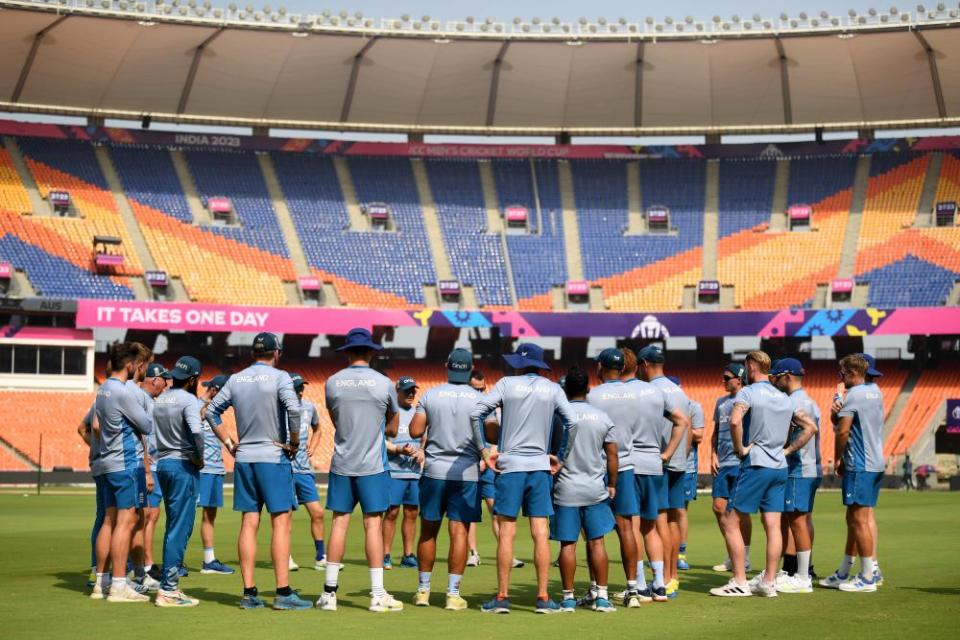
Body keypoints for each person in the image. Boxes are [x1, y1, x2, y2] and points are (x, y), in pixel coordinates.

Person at [205, 332, 311, 610]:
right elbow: (295, 410)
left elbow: (211, 412)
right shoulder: (280, 377)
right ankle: (283, 592)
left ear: (254, 353)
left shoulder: (236, 379)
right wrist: (295, 442)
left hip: (245, 459)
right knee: (281, 522)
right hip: (273, 456)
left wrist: (229, 442)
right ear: (276, 353)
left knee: (249, 523)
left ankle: (249, 593)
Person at [471, 342, 577, 614]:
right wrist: (561, 456)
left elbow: (475, 413)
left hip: (510, 466)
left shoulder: (506, 384)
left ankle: (503, 597)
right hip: (540, 466)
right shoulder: (553, 388)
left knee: (507, 531)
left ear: (519, 363)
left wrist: (484, 451)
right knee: (540, 532)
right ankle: (543, 598)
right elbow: (573, 423)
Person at [709, 350, 817, 598]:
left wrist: (740, 449)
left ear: (751, 366)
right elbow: (810, 427)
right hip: (780, 466)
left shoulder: (748, 392)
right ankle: (769, 581)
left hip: (756, 463)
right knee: (773, 525)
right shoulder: (784, 397)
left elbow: (735, 421)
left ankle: (739, 580)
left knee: (731, 519)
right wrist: (787, 449)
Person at [319, 328, 403, 613]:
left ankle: (329, 593)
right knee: (373, 525)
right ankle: (377, 595)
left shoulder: (332, 382)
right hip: (373, 465)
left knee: (339, 523)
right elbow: (393, 427)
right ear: (370, 352)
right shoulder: (383, 383)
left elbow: (335, 419)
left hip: (342, 462)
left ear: (347, 352)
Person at [408, 349, 483, 610]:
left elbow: (415, 430)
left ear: (446, 366)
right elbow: (494, 434)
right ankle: (452, 594)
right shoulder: (478, 399)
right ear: (471, 368)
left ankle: (423, 591)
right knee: (459, 532)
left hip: (434, 471)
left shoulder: (431, 394)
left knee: (429, 530)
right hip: (466, 472)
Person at [90, 342, 154, 603]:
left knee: (108, 520)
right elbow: (147, 425)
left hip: (106, 461)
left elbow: (95, 424)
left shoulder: (103, 389)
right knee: (126, 522)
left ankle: (101, 583)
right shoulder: (124, 392)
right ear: (130, 365)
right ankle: (118, 585)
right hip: (125, 462)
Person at [553, 367, 619, 613]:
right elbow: (613, 456)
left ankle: (568, 599)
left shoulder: (559, 417)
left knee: (567, 545)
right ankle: (601, 597)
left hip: (565, 488)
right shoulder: (602, 417)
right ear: (588, 389)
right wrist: (612, 484)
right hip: (594, 489)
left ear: (565, 389)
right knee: (597, 543)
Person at [820, 354, 885, 593]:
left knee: (858, 520)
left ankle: (867, 576)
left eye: (843, 374)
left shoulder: (854, 395)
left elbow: (842, 431)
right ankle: (850, 570)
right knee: (859, 518)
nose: (841, 378)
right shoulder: (876, 391)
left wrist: (838, 458)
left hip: (859, 463)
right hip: (875, 461)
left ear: (854, 373)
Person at [637, 345, 691, 600]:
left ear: (645, 364)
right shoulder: (678, 390)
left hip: (659, 461)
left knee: (658, 523)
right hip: (680, 462)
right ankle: (673, 578)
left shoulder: (652, 390)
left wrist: (666, 453)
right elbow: (687, 425)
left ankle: (665, 578)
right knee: (671, 520)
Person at [153, 356, 205, 607]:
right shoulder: (189, 400)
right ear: (194, 379)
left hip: (162, 463)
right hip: (182, 465)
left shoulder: (162, 398)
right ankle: (169, 589)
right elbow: (196, 432)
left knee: (173, 525)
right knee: (180, 527)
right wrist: (199, 458)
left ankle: (168, 584)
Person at [770, 358, 821, 594]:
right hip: (811, 468)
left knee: (797, 521)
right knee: (803, 519)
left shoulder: (792, 402)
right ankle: (803, 570)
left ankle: (802, 577)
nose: (774, 381)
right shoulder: (809, 400)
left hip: (798, 469)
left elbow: (807, 430)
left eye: (776, 377)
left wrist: (787, 450)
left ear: (787, 377)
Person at [466, 371, 521, 569]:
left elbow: (496, 438)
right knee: (469, 512)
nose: (480, 392)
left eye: (482, 388)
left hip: (488, 466)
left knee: (496, 512)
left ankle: (508, 554)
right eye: (476, 389)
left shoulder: (490, 409)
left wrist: (487, 457)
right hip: (468, 466)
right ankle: (473, 553)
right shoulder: (464, 406)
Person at [710, 363, 753, 573]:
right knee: (718, 508)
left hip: (740, 463)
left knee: (739, 511)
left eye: (727, 378)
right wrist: (713, 454)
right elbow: (716, 432)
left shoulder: (748, 399)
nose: (723, 381)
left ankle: (744, 557)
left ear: (739, 378)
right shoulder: (720, 402)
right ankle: (732, 553)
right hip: (723, 463)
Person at [287, 373, 327, 572]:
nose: (301, 390)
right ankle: (285, 556)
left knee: (318, 513)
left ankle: (321, 557)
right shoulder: (279, 408)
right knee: (285, 516)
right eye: (296, 387)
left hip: (303, 470)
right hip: (284, 470)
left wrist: (313, 446)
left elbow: (318, 429)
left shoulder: (310, 407)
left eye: (302, 387)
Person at [196, 374, 235, 575]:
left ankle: (209, 560)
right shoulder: (194, 406)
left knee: (210, 515)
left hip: (216, 468)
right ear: (215, 391)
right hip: (199, 470)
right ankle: (174, 561)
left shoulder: (216, 412)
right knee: (184, 515)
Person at [383, 376, 423, 570]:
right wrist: (399, 450)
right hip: (394, 471)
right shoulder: (390, 412)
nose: (411, 394)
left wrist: (422, 451)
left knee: (412, 513)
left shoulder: (419, 413)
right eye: (407, 390)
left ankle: (408, 555)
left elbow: (426, 438)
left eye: (413, 390)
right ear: (396, 392)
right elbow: (380, 441)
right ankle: (385, 555)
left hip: (414, 472)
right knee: (391, 512)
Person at [141, 363, 172, 587]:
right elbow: (139, 434)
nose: (166, 383)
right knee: (147, 515)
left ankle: (147, 564)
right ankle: (145, 565)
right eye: (164, 379)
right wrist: (144, 465)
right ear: (154, 379)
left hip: (155, 465)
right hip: (148, 467)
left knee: (152, 515)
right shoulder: (142, 401)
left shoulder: (151, 402)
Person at [670, 377, 703, 575]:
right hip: (668, 465)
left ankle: (681, 554)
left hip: (687, 465)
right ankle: (669, 553)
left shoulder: (693, 406)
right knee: (667, 512)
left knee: (681, 510)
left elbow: (698, 435)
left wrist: (683, 427)